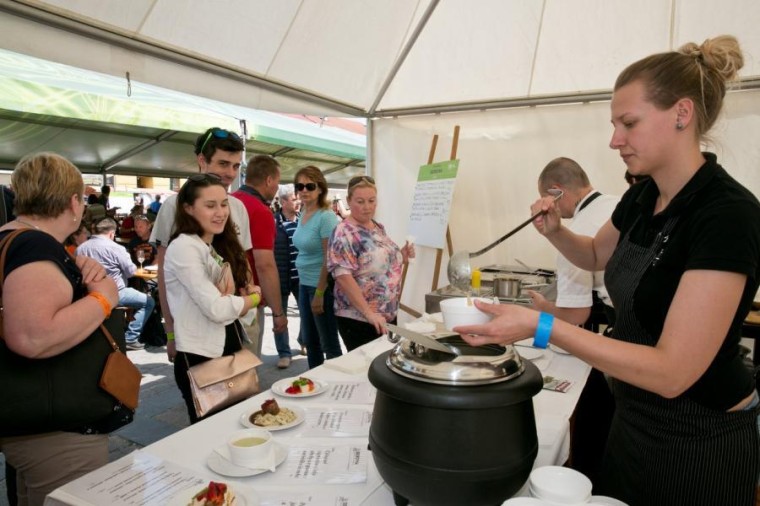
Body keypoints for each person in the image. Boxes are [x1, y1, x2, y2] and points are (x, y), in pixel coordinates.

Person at [456, 36, 760, 506]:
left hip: (698, 436)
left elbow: (673, 371)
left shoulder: (727, 214)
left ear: (682, 113)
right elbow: (596, 256)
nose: (614, 140)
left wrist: (542, 326)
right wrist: (556, 231)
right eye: (614, 124)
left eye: (628, 123)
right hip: (634, 414)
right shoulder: (642, 197)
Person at [0, 153, 130, 505]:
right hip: (58, 428)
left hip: (31, 417)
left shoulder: (16, 240)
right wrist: (104, 297)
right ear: (74, 201)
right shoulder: (35, 245)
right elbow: (32, 336)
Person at [527, 157, 618, 485]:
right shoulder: (617, 206)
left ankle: (592, 476)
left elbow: (576, 316)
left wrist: (541, 311)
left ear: (555, 193)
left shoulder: (575, 230)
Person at [150, 127, 253, 363]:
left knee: (241, 391)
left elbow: (242, 261)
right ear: (201, 161)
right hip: (197, 334)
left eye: (236, 166)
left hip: (236, 322)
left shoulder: (237, 207)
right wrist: (171, 333)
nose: (230, 173)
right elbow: (164, 276)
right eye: (223, 164)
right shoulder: (174, 206)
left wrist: (250, 304)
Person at [164, 173, 261, 424]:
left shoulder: (210, 244)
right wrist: (252, 300)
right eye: (210, 205)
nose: (220, 212)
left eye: (223, 203)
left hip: (227, 349)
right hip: (201, 357)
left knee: (236, 428)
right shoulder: (184, 247)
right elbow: (217, 309)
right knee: (212, 435)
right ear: (188, 208)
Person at [327, 176, 415, 350]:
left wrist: (401, 256)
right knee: (366, 369)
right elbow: (343, 277)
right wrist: (369, 314)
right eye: (360, 201)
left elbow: (378, 262)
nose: (367, 207)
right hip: (360, 318)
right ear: (348, 201)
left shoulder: (377, 226)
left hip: (385, 314)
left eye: (371, 200)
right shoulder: (344, 232)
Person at [232, 155, 289, 366]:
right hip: (248, 301)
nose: (277, 187)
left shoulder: (227, 201)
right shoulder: (260, 210)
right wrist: (278, 312)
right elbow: (264, 265)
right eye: (277, 181)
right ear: (268, 180)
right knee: (246, 373)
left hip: (222, 297)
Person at [76, 218, 155, 351]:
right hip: (115, 292)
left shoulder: (81, 248)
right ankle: (130, 338)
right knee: (149, 302)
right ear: (112, 233)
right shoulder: (116, 248)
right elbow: (131, 272)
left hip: (88, 293)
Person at [292, 166, 342, 368]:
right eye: (300, 186)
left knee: (328, 344)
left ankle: (338, 388)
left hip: (320, 287)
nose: (304, 190)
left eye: (309, 186)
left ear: (320, 188)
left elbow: (328, 259)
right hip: (304, 284)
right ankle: (315, 384)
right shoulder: (304, 211)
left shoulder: (325, 216)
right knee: (311, 342)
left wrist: (320, 293)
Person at [274, 184, 305, 356]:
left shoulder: (303, 220)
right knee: (280, 315)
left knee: (306, 314)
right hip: (280, 278)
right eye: (294, 199)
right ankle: (284, 353)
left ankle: (303, 341)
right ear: (283, 202)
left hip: (301, 278)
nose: (298, 202)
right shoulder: (273, 222)